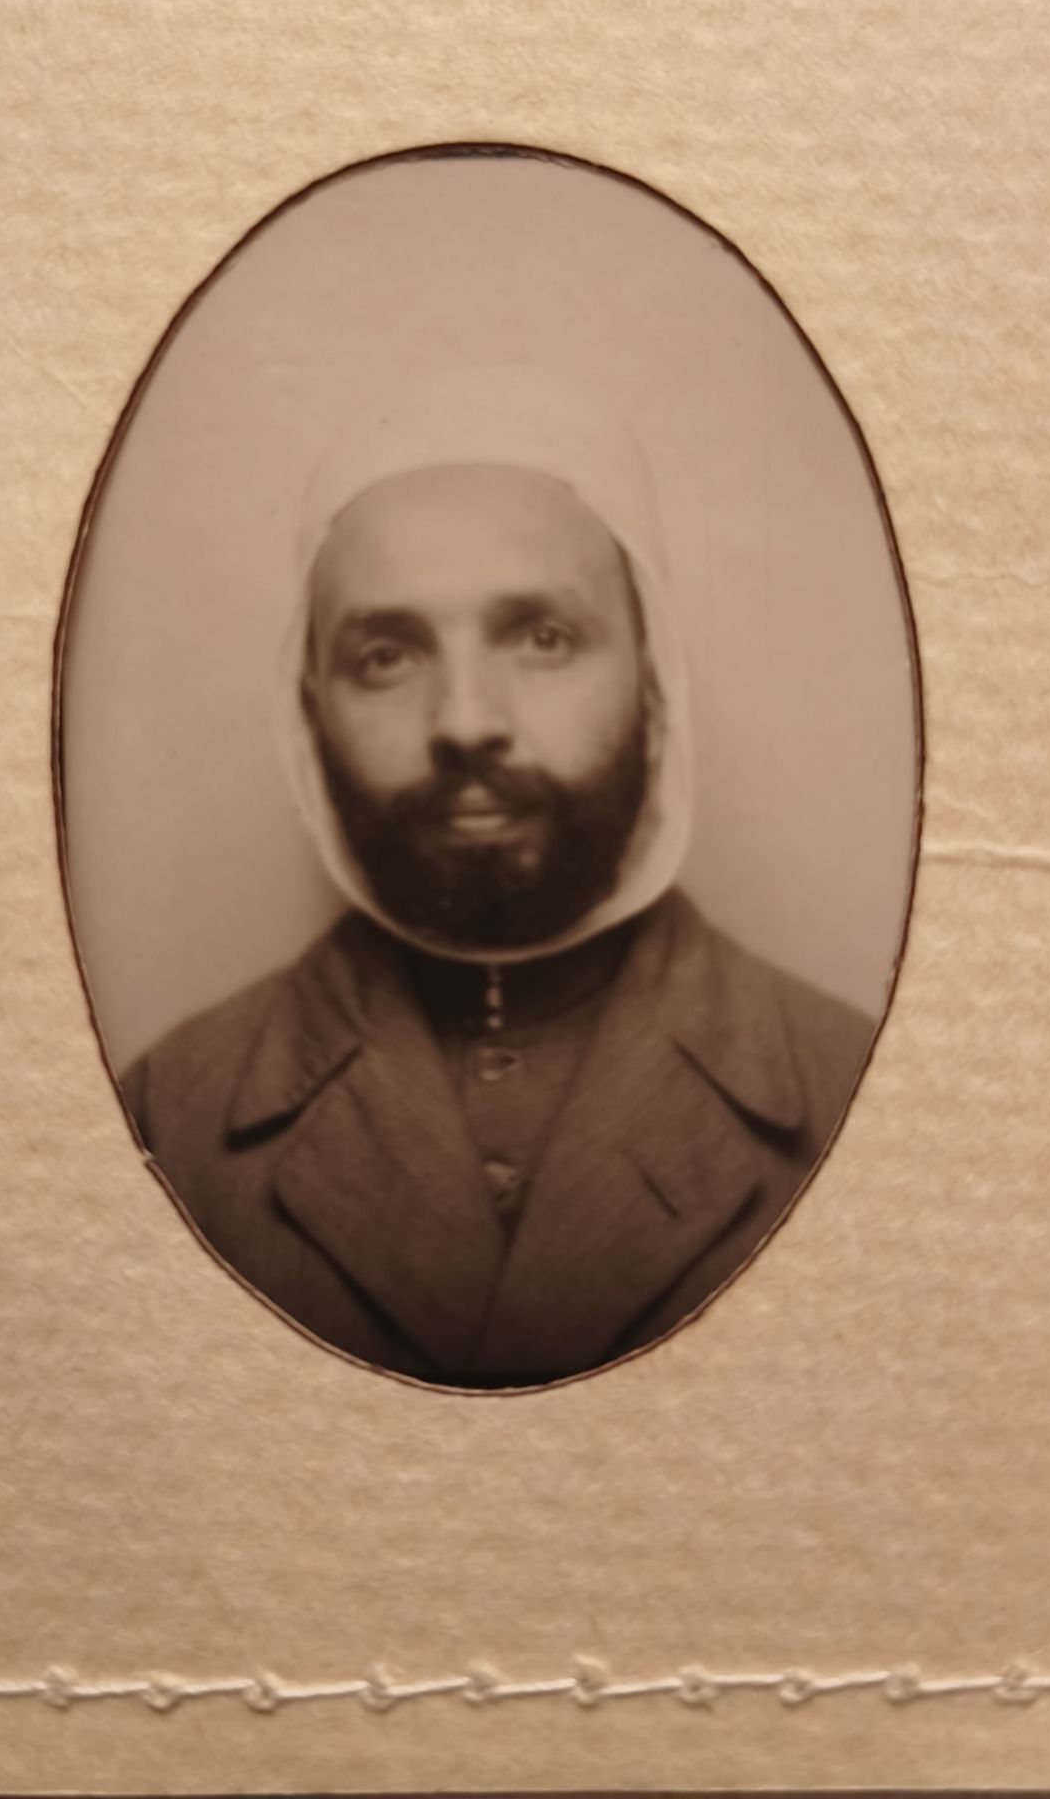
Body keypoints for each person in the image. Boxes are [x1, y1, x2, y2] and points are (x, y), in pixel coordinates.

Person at [120, 365, 874, 1387]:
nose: (466, 721)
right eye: (387, 655)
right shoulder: (162, 1121)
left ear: (654, 683)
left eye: (542, 638)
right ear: (309, 709)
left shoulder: (859, 1096)